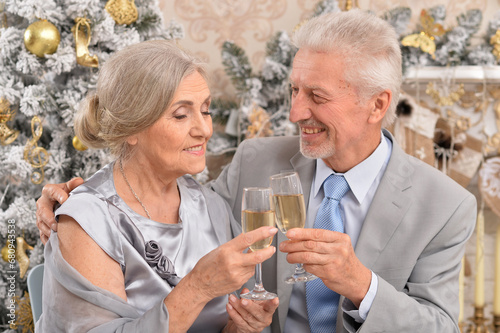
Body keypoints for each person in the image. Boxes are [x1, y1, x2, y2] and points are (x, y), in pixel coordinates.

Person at [37, 10, 476, 333]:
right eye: (294, 90)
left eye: (317, 97)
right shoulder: (256, 161)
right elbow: (154, 181)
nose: (294, 112)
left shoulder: (444, 204)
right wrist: (76, 197)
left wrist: (362, 286)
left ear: (378, 104)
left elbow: (440, 325)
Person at [35, 39, 279, 333]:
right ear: (132, 128)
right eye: (181, 114)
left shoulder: (209, 206)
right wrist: (198, 286)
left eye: (205, 110)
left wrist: (243, 327)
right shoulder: (88, 221)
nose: (204, 129)